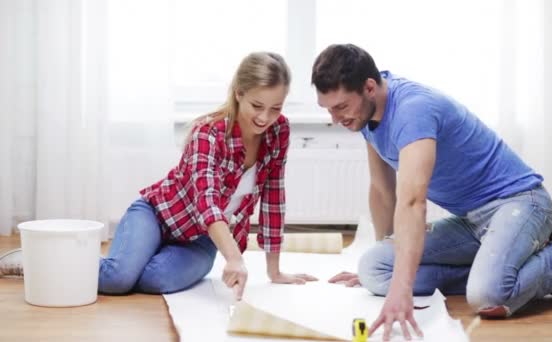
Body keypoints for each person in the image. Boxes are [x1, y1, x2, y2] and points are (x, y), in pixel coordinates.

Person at [311, 44, 552, 340]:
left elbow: (412, 203)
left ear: (369, 87)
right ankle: (499, 263)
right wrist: (390, 257)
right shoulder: (366, 118)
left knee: (487, 296)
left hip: (521, 202)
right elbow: (383, 191)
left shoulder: (412, 111)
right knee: (374, 269)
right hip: (472, 221)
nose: (335, 119)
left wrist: (402, 289)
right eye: (329, 109)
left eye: (341, 107)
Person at [0, 52, 317, 298]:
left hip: (200, 240)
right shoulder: (209, 132)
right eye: (257, 105)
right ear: (238, 93)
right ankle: (38, 262)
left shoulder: (280, 132)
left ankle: (131, 258)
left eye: (275, 108)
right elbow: (206, 201)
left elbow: (274, 197)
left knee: (156, 280)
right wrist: (234, 258)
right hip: (157, 215)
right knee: (119, 280)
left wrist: (274, 271)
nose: (265, 117)